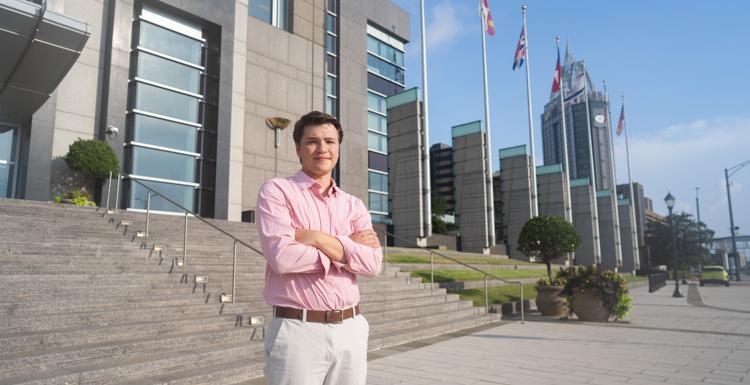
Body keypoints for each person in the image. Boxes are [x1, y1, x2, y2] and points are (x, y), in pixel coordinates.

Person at [256, 111, 383, 385]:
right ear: (298, 149)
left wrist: (316, 237)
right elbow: (282, 258)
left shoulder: (354, 204)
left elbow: (372, 264)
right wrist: (348, 248)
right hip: (298, 331)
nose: (322, 148)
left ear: (338, 148)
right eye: (312, 141)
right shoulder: (277, 191)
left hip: (351, 328)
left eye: (330, 141)